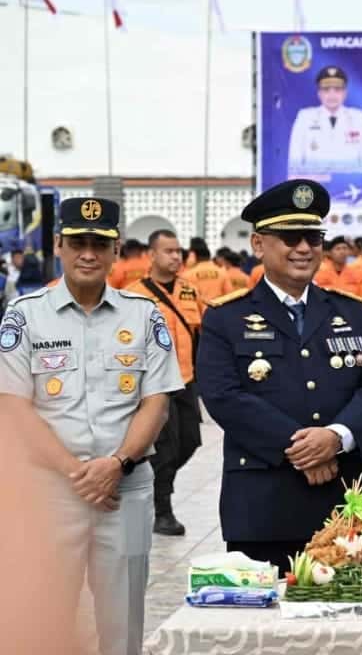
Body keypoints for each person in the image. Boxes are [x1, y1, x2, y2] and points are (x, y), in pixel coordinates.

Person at [0, 197, 183, 655]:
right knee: (45, 621)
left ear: (116, 250)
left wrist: (116, 464)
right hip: (48, 492)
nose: (88, 254)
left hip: (126, 489)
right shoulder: (25, 315)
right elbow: (14, 407)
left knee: (123, 624)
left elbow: (156, 402)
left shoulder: (143, 315)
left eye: (99, 244)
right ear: (58, 245)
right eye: (77, 243)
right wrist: (77, 473)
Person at [196, 180, 362, 573]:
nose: (303, 248)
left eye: (313, 238)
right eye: (290, 237)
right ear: (258, 244)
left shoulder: (354, 312)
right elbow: (223, 396)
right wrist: (302, 448)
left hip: (346, 499)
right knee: (264, 611)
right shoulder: (226, 316)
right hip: (264, 503)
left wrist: (335, 438)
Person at [125, 229, 205, 536]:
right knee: (165, 449)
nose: (176, 256)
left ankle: (150, 483)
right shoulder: (134, 295)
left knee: (190, 441)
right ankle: (162, 511)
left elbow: (203, 332)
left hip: (186, 379)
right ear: (151, 255)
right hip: (154, 385)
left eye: (178, 251)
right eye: (168, 251)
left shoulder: (190, 291)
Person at [288, 66, 362, 172]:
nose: (332, 95)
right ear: (319, 94)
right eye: (326, 89)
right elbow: (295, 162)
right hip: (314, 181)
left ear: (345, 93)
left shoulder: (359, 118)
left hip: (350, 181)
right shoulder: (305, 118)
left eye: (337, 89)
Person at [182, 237, 228, 301]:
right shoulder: (223, 273)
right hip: (219, 306)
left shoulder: (187, 275)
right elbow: (229, 296)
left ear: (193, 255)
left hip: (197, 307)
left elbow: (186, 301)